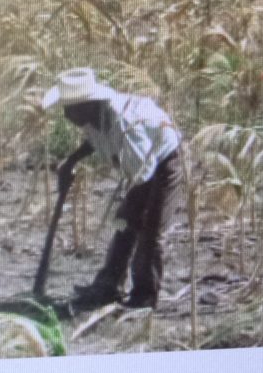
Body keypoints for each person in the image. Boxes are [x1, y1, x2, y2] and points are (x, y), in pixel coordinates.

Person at [42, 68, 182, 311]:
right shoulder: (92, 116)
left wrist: (132, 207)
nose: (65, 114)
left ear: (88, 103)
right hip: (142, 164)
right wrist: (72, 160)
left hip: (165, 160)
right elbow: (94, 140)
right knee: (124, 224)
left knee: (150, 230)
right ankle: (108, 286)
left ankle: (144, 298)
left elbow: (143, 171)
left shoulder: (124, 123)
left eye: (69, 108)